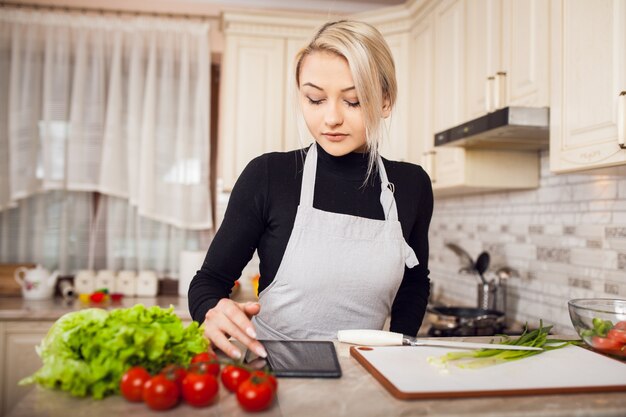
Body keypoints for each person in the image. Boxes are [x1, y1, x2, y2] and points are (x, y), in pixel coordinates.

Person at [188, 20, 433, 360]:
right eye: (315, 99)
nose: (330, 118)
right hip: (271, 374)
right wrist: (213, 310)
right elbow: (209, 281)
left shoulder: (412, 185)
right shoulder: (269, 175)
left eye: (354, 101)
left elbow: (414, 283)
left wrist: (396, 354)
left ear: (385, 101)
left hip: (367, 377)